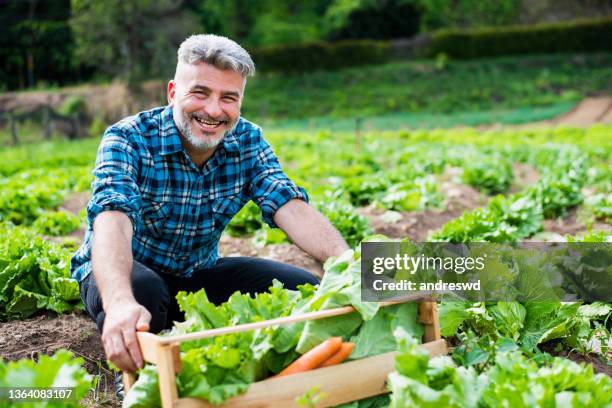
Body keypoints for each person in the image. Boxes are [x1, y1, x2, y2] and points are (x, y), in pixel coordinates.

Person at [70, 34, 349, 379]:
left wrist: (346, 263)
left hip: (196, 274)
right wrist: (118, 302)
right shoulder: (128, 138)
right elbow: (112, 217)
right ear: (173, 93)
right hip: (126, 272)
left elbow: (288, 205)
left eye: (228, 98)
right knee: (144, 293)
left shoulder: (247, 140)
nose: (214, 110)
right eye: (200, 93)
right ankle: (136, 382)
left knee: (303, 288)